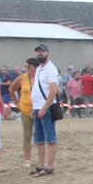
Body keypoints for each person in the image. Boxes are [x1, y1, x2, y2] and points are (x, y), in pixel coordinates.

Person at [30, 44, 60, 176]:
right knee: (39, 138)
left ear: (48, 53)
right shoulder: (39, 69)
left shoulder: (50, 69)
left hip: (45, 108)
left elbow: (53, 91)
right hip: (37, 108)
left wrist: (43, 108)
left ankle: (50, 165)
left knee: (50, 137)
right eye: (37, 52)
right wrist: (35, 108)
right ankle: (40, 164)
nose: (39, 54)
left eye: (42, 52)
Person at [9, 58, 37, 168]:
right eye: (25, 67)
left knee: (40, 135)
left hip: (39, 110)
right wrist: (17, 102)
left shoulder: (41, 77)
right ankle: (27, 159)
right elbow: (12, 89)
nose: (26, 69)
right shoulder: (22, 78)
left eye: (28, 67)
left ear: (35, 67)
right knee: (27, 135)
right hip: (25, 110)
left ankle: (42, 158)